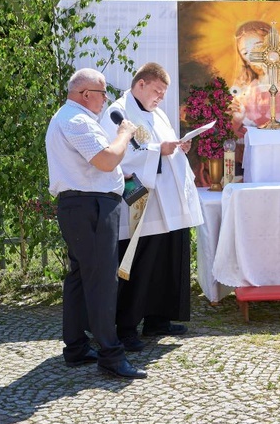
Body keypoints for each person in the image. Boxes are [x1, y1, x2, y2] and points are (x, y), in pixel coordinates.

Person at [46, 68, 146, 379]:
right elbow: (105, 159)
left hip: (84, 204)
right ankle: (111, 356)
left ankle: (76, 347)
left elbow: (97, 166)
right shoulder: (75, 120)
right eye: (102, 93)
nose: (105, 99)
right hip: (90, 206)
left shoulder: (72, 118)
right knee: (102, 279)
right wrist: (124, 134)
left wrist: (120, 176)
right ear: (85, 94)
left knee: (81, 276)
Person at [101, 63, 203, 352]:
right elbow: (119, 155)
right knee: (139, 261)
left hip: (167, 202)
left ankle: (159, 318)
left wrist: (178, 147)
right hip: (140, 200)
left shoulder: (156, 113)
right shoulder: (118, 112)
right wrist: (162, 150)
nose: (160, 97)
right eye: (157, 90)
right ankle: (127, 327)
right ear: (141, 84)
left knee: (166, 258)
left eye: (163, 93)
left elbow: (160, 146)